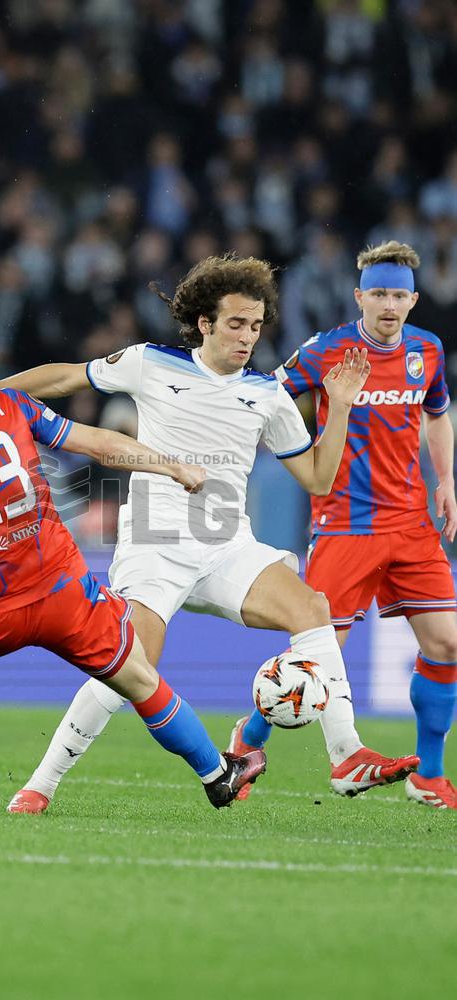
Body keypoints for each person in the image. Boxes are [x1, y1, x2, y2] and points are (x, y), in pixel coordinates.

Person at [0, 253, 417, 815]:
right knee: (130, 667)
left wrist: (341, 410)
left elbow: (318, 477)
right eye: (235, 324)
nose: (247, 337)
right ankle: (41, 784)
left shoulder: (268, 394)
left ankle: (347, 755)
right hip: (156, 546)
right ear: (205, 323)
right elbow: (63, 375)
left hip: (228, 547)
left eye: (256, 326)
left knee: (312, 608)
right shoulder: (149, 364)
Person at [0, 332, 267, 813]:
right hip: (65, 590)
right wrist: (169, 466)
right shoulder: (7, 402)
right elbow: (98, 445)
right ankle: (217, 773)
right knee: (139, 679)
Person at [252, 240, 455, 809]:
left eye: (398, 295)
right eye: (378, 294)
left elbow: (437, 415)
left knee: (447, 644)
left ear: (413, 299)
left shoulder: (428, 351)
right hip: (345, 525)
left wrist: (447, 482)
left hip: (413, 524)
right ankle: (249, 740)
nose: (388, 305)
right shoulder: (326, 350)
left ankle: (430, 774)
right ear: (359, 295)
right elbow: (266, 398)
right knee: (316, 655)